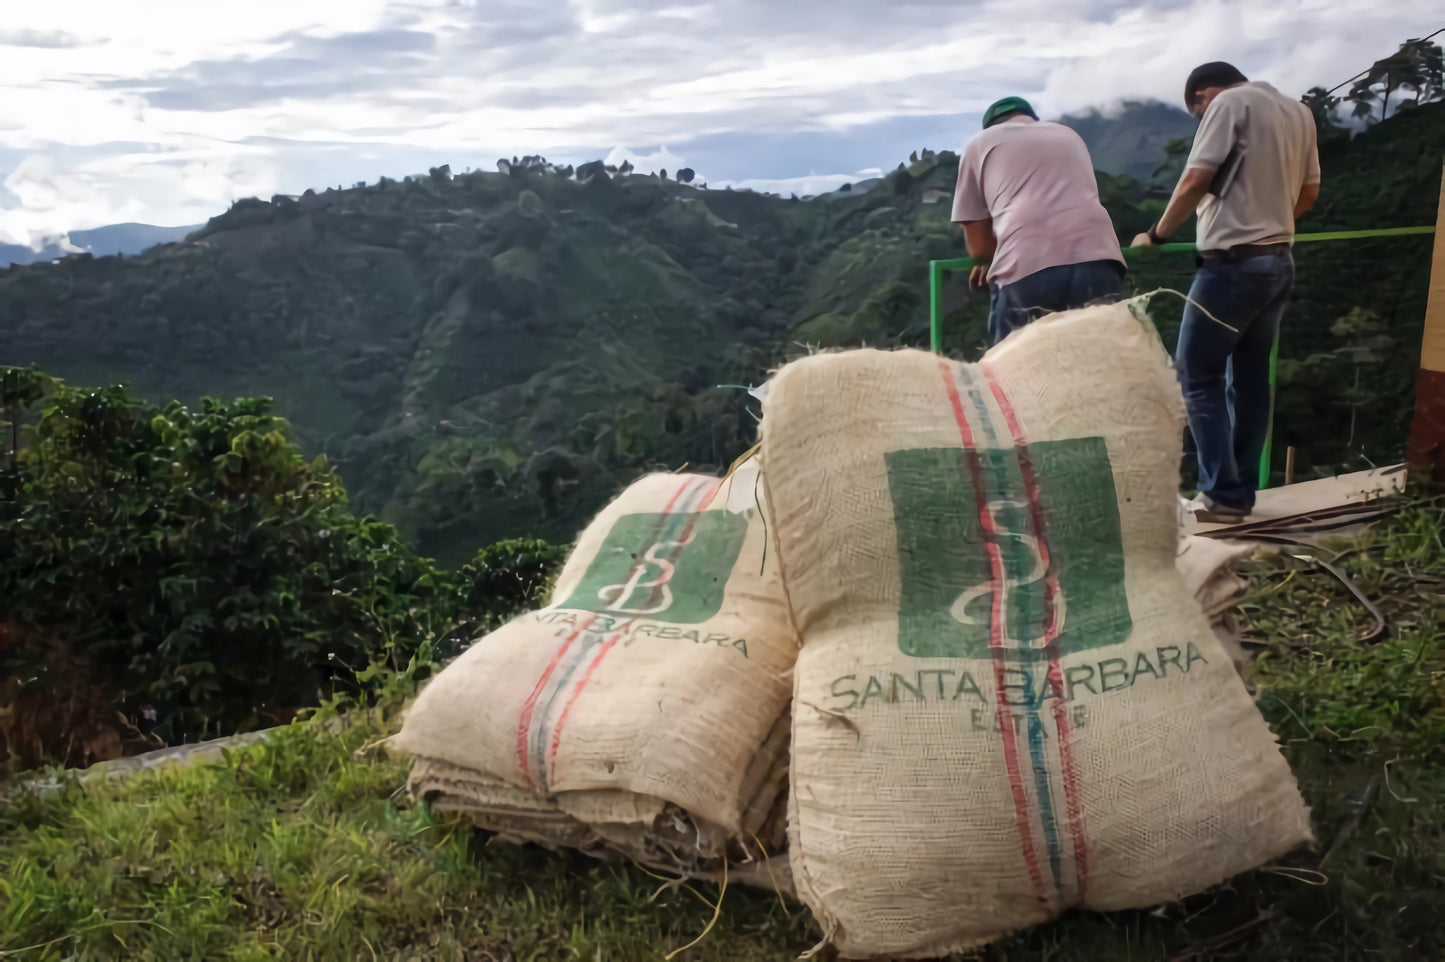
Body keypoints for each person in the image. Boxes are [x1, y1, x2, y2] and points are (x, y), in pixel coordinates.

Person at [1133, 62, 1320, 523]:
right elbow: (1310, 192)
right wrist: (1271, 220)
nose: (1202, 118)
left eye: (1198, 113)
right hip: (1279, 260)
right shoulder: (1299, 112)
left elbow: (1196, 179)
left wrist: (1155, 235)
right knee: (1251, 379)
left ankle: (1222, 496)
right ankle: (1241, 491)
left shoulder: (1227, 103)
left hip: (1231, 265)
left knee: (1196, 377)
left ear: (1203, 94)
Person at [951, 96, 1126, 345]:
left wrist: (989, 263)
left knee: (1016, 374)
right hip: (1100, 260)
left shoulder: (979, 145)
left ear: (991, 126)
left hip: (1028, 267)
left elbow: (979, 248)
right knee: (1097, 362)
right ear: (1032, 119)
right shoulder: (1068, 135)